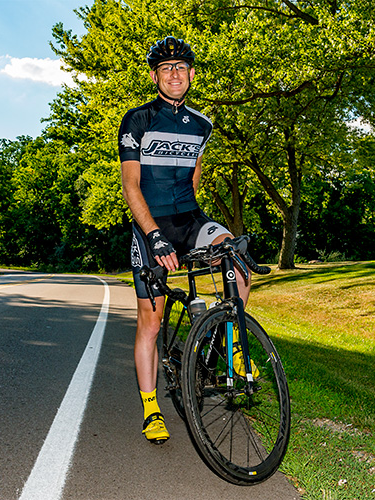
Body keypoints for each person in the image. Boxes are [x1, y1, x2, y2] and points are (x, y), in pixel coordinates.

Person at [118, 36, 251, 445]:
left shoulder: (203, 124)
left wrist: (196, 226)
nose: (174, 74)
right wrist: (155, 236)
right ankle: (151, 407)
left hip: (189, 218)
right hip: (151, 226)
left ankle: (223, 346)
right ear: (156, 76)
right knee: (151, 322)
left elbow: (193, 177)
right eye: (166, 68)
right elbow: (130, 186)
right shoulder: (137, 120)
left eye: (181, 67)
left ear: (191, 74)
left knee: (239, 261)